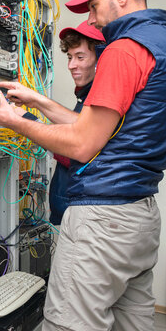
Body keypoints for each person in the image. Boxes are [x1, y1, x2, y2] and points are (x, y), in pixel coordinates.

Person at [0, 0, 166, 331]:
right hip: (138, 216)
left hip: (102, 221)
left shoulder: (124, 50)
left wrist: (12, 120)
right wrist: (39, 101)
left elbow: (82, 145)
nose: (91, 20)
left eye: (93, 7)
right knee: (135, 328)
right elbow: (104, 129)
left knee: (69, 329)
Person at [48, 21, 104, 226]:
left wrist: (26, 122)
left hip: (81, 212)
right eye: (70, 57)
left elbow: (75, 150)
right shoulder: (86, 95)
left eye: (80, 57)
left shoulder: (100, 99)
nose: (72, 65)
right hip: (74, 210)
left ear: (100, 60)